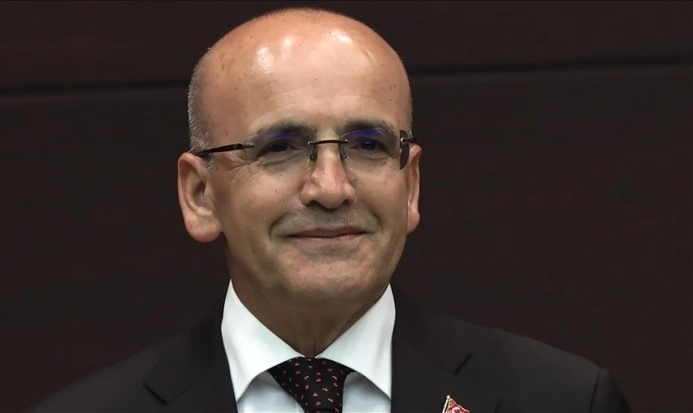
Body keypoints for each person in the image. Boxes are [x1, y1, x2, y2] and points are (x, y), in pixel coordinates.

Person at [32, 7, 630, 413]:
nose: (330, 187)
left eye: (367, 145)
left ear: (411, 185)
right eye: (280, 148)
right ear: (200, 195)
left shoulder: (564, 400)